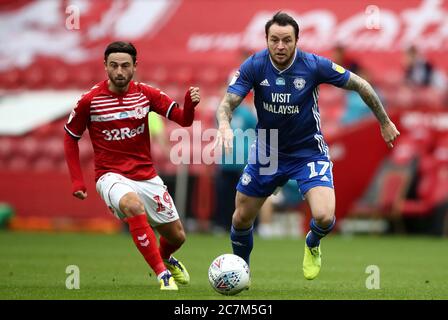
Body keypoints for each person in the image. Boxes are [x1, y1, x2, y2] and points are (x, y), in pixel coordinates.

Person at [215, 12, 399, 282]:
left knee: (324, 217)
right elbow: (227, 102)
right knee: (241, 218)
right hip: (269, 150)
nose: (280, 46)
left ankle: (312, 243)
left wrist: (384, 121)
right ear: (266, 39)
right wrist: (223, 124)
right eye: (274, 40)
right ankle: (241, 269)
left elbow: (361, 84)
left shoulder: (312, 64)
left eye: (286, 40)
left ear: (296, 40)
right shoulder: (254, 65)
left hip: (308, 151)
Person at [63, 41, 200, 290]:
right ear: (105, 66)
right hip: (110, 176)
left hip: (146, 176)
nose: (119, 71)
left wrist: (189, 105)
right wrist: (77, 181)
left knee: (177, 236)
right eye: (113, 65)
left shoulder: (146, 94)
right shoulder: (90, 101)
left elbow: (183, 120)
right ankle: (162, 276)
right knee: (131, 204)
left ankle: (166, 258)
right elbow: (70, 137)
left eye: (125, 65)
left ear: (135, 67)